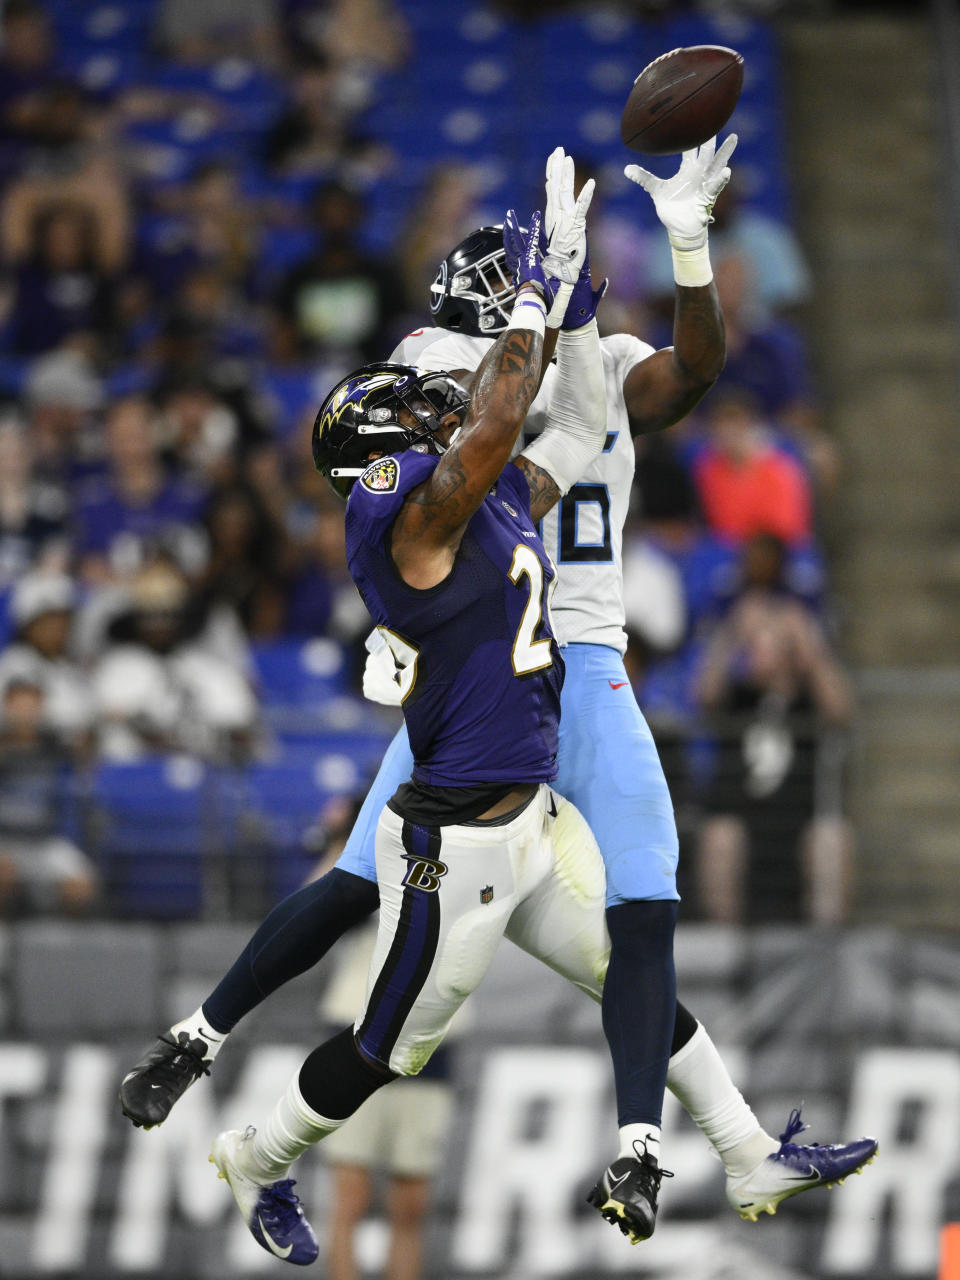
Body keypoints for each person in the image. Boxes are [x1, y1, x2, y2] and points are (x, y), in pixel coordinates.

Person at [120, 142, 877, 1240]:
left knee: (641, 913)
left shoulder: (598, 362)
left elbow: (670, 380)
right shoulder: (439, 369)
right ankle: (203, 1044)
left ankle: (710, 1146)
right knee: (358, 911)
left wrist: (688, 243)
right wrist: (533, 293)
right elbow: (456, 441)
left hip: (577, 651)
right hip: (480, 671)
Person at [203, 162, 615, 1262]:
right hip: (458, 826)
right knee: (390, 1041)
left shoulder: (474, 508)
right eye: (415, 409)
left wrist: (572, 298)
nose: (436, 408)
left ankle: (704, 1134)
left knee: (631, 969)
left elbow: (565, 438)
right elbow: (491, 431)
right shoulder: (401, 507)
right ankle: (258, 1153)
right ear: (381, 446)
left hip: (516, 812)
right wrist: (533, 297)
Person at [693, 532, 856, 925]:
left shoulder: (807, 697)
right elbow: (703, 695)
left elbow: (841, 709)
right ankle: (723, 947)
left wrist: (806, 642)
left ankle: (824, 950)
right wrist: (733, 635)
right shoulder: (737, 694)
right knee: (720, 838)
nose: (766, 644)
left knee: (833, 840)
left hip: (799, 815)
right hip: (741, 815)